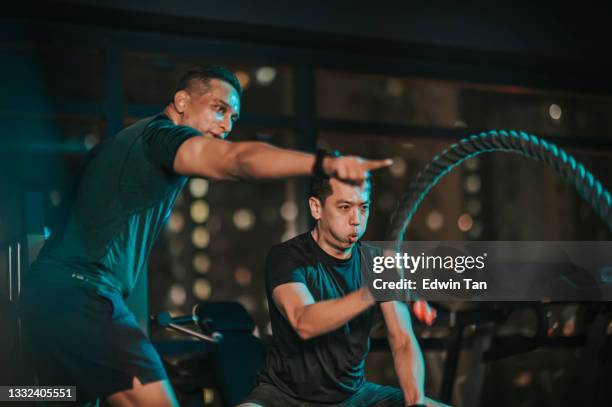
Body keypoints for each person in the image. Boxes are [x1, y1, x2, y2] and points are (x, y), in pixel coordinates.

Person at [18, 66, 393, 407]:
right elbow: (233, 161)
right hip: (82, 295)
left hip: (44, 297)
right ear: (182, 102)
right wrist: (321, 163)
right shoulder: (159, 137)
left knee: (49, 399)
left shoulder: (125, 146)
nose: (227, 124)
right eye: (219, 109)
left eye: (233, 117)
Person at [239, 175, 447, 407]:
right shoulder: (287, 257)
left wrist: (415, 401)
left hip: (355, 397)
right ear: (316, 208)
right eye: (345, 207)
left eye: (363, 208)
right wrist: (372, 290)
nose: (356, 220)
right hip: (284, 397)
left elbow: (402, 340)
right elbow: (304, 321)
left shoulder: (377, 262)